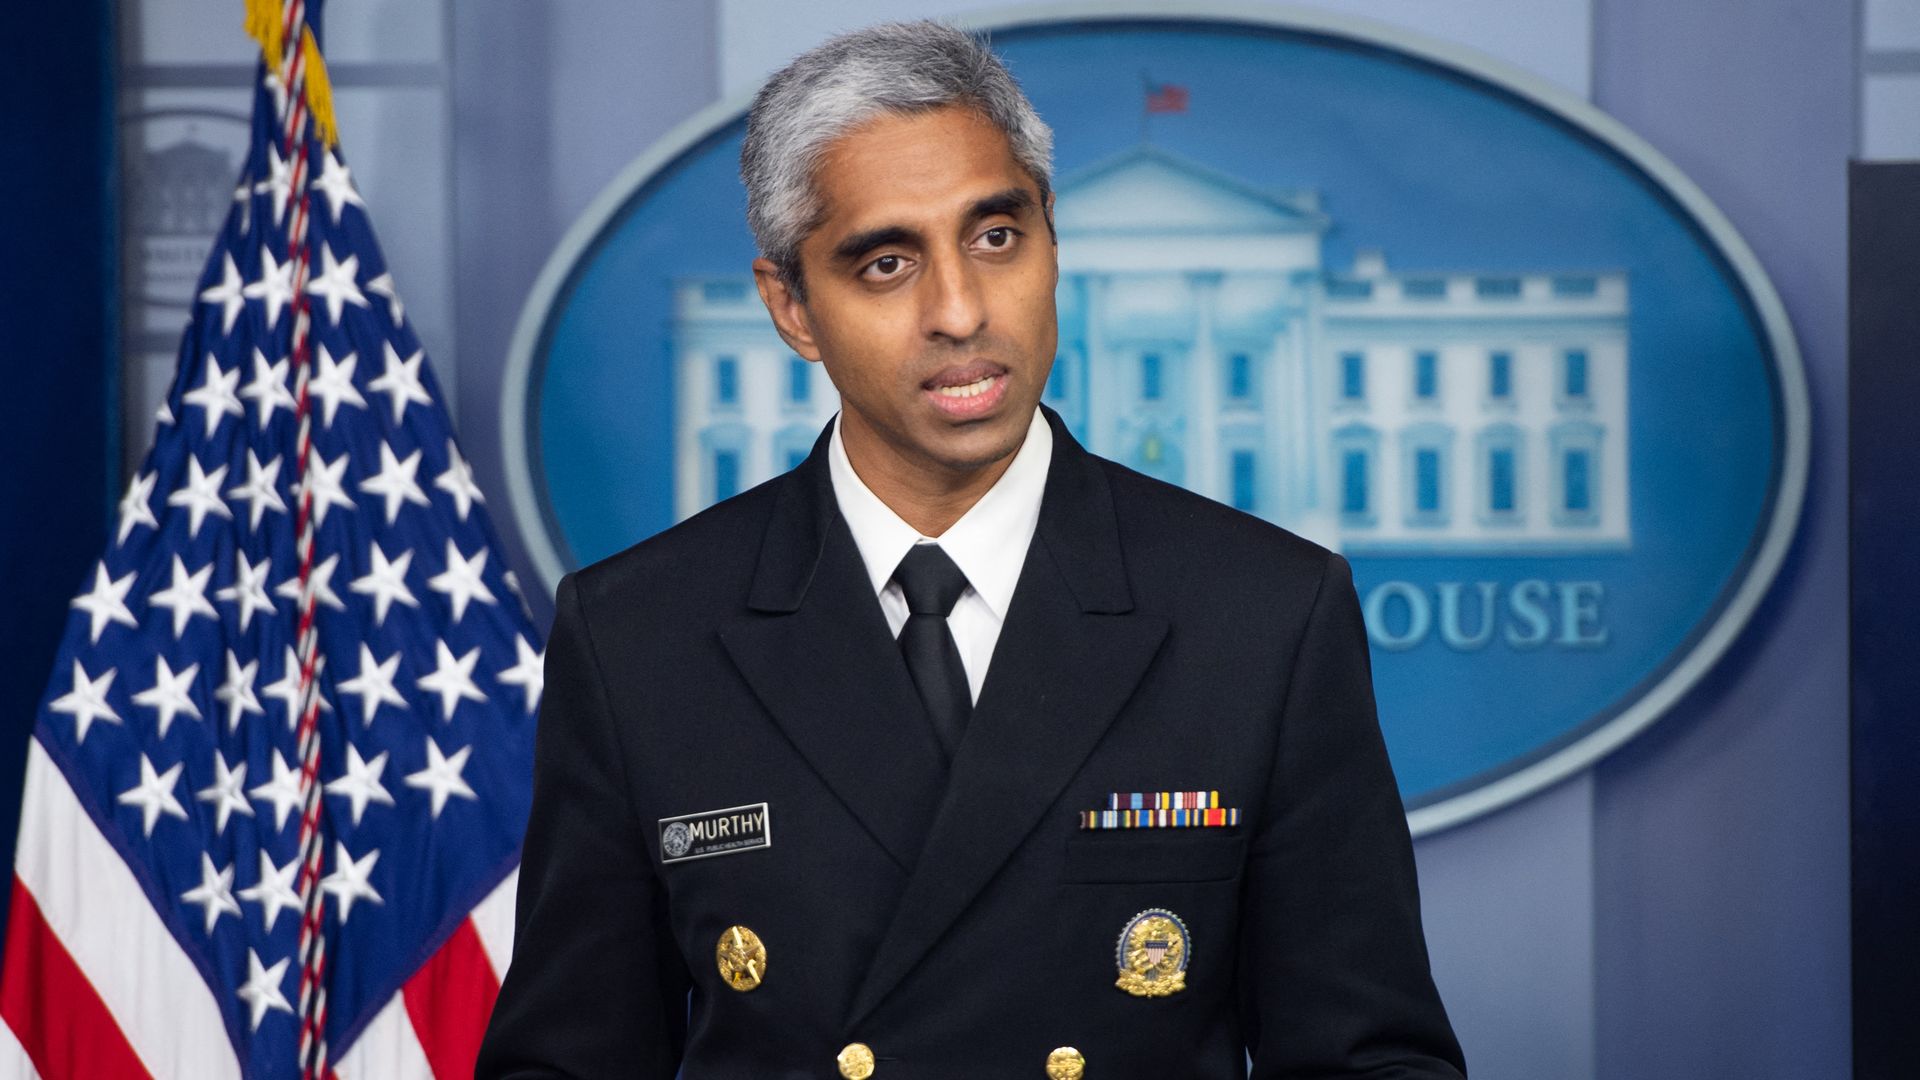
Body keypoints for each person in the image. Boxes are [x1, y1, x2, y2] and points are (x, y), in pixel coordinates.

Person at [478, 20, 1465, 1080]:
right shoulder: (639, 637)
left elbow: (1370, 1064)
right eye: (888, 262)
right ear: (792, 308)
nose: (960, 311)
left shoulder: (1265, 614)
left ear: (1051, 237)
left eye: (996, 237)